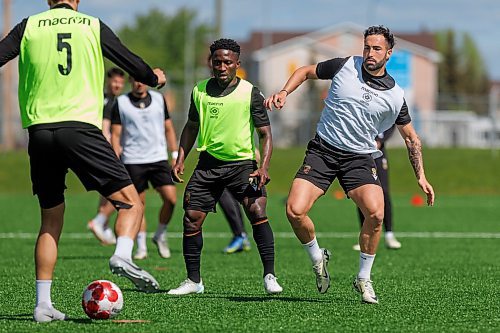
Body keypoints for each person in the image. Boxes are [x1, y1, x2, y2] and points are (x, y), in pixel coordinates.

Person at [0, 0, 166, 322]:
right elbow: (129, 61)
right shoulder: (91, 25)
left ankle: (43, 304)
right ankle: (122, 255)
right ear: (76, 1)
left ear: (49, 1)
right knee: (132, 203)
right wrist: (153, 77)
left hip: (40, 132)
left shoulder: (28, 26)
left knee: (50, 219)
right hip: (80, 129)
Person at [264, 25, 434, 304]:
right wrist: (284, 92)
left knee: (376, 214)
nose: (369, 53)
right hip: (323, 151)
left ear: (388, 53)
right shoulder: (345, 66)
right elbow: (305, 71)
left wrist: (422, 177)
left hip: (359, 159)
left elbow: (411, 139)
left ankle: (363, 278)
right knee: (294, 211)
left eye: (376, 48)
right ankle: (318, 258)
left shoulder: (395, 96)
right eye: (367, 47)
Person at [169, 38, 282, 295]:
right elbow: (191, 127)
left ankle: (270, 275)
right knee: (191, 220)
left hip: (242, 165)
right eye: (217, 62)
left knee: (256, 209)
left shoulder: (250, 92)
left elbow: (265, 134)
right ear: (211, 63)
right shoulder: (198, 91)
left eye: (227, 62)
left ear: (237, 64)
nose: (221, 67)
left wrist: (263, 167)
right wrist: (180, 158)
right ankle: (193, 281)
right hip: (207, 165)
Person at [111, 76, 178, 260]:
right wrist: (116, 159)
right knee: (138, 205)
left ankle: (160, 234)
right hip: (133, 160)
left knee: (171, 199)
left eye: (142, 80)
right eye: (135, 79)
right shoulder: (121, 102)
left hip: (158, 158)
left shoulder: (158, 99)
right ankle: (141, 247)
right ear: (130, 81)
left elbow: (169, 128)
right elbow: (116, 135)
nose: (139, 83)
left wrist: (174, 155)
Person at [87, 67, 126, 246]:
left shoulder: (105, 99)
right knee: (125, 189)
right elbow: (105, 130)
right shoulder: (108, 102)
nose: (117, 84)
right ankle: (100, 220)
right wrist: (111, 151)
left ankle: (103, 226)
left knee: (106, 189)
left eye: (120, 82)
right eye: (115, 81)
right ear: (108, 81)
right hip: (107, 150)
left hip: (99, 149)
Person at [353, 125, 402, 251]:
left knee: (384, 192)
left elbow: (392, 123)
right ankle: (363, 236)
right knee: (362, 193)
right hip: (361, 153)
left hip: (379, 156)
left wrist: (380, 140)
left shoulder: (384, 107)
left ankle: (389, 234)